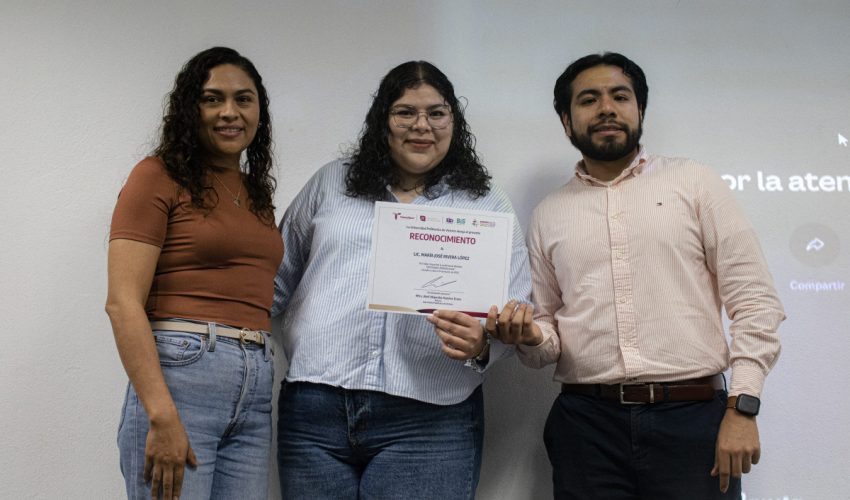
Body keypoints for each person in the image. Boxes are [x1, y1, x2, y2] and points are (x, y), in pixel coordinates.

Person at [487, 52, 785, 499]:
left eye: (619, 96)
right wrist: (528, 336)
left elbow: (756, 303)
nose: (606, 108)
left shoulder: (695, 183)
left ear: (639, 111)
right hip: (586, 427)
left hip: (693, 420)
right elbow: (547, 338)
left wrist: (742, 409)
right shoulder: (549, 213)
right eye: (589, 99)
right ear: (567, 121)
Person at [272, 60, 530, 499]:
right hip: (316, 410)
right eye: (405, 112)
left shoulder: (486, 204)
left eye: (436, 112)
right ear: (383, 121)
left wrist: (485, 345)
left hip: (430, 416)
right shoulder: (330, 183)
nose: (421, 126)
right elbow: (273, 281)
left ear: (454, 121)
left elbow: (517, 308)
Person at [105, 47, 282, 499]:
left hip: (255, 384)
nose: (229, 112)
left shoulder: (255, 193)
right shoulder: (156, 176)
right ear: (190, 108)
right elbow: (123, 303)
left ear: (259, 110)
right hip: (183, 378)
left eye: (244, 99)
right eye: (212, 99)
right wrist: (161, 414)